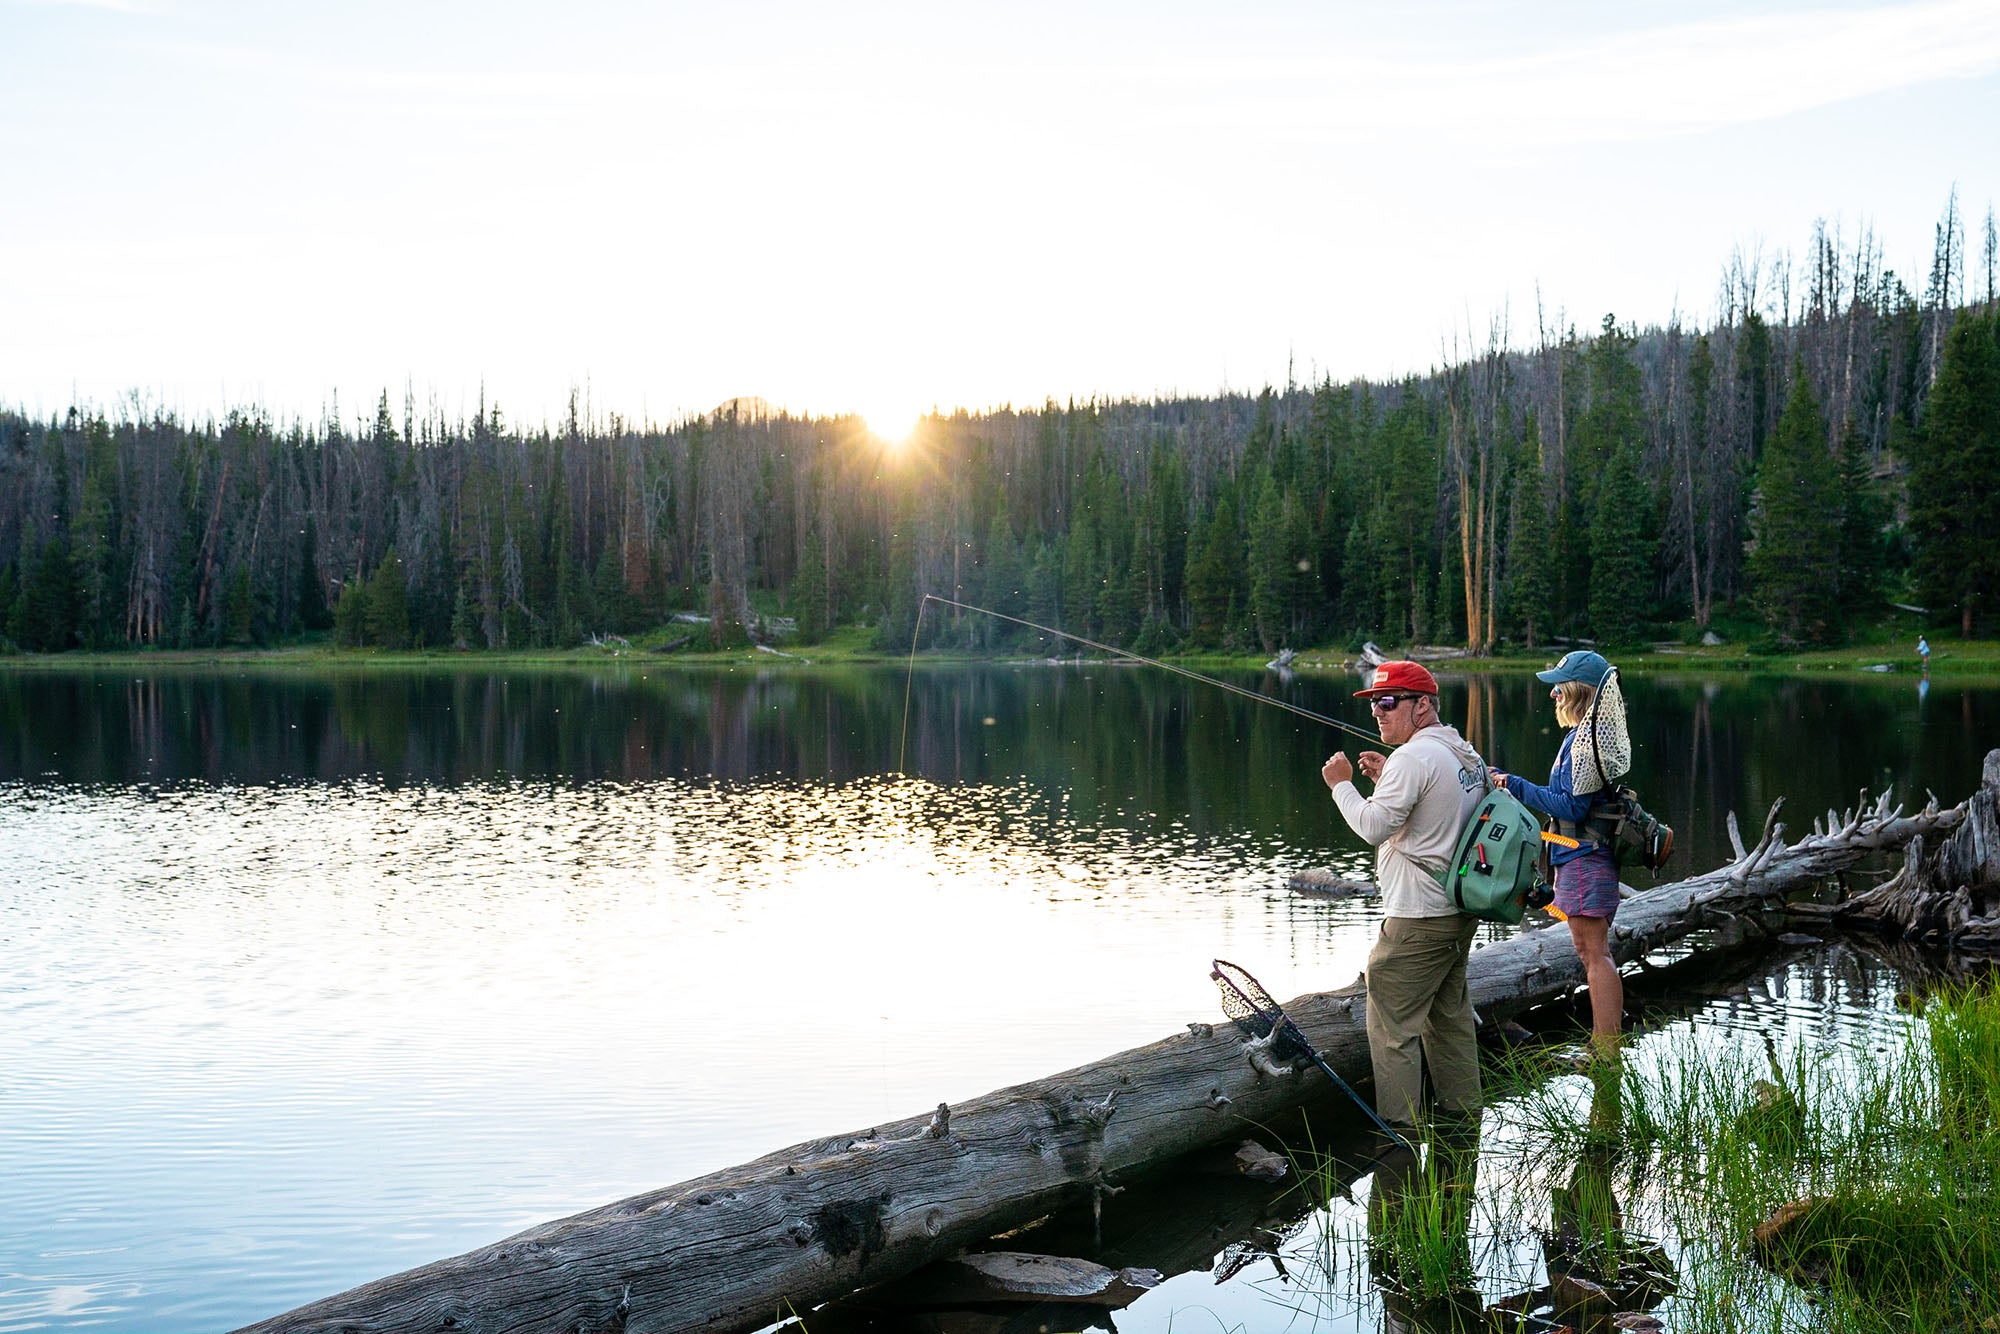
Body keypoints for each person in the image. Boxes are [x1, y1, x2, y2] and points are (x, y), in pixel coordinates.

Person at [1320, 660, 1488, 1132]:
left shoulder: (1414, 759)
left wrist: (1343, 786)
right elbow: (1437, 817)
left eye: (1388, 701)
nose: (1377, 711)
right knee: (1449, 1020)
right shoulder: (1461, 750)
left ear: (1422, 706)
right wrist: (1385, 780)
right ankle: (1461, 1123)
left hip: (1418, 919)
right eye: (1374, 702)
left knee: (1392, 1029)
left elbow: (1374, 827)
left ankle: (1400, 1138)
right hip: (1458, 912)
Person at [1490, 649, 1623, 1060]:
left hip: (1585, 860)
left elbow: (1571, 807)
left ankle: (1606, 1048)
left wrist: (1513, 784)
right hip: (1588, 858)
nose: (1553, 696)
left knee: (1594, 954)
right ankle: (1606, 1046)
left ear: (1578, 691)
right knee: (1594, 953)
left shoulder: (1584, 744)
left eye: (1558, 688)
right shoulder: (1584, 736)